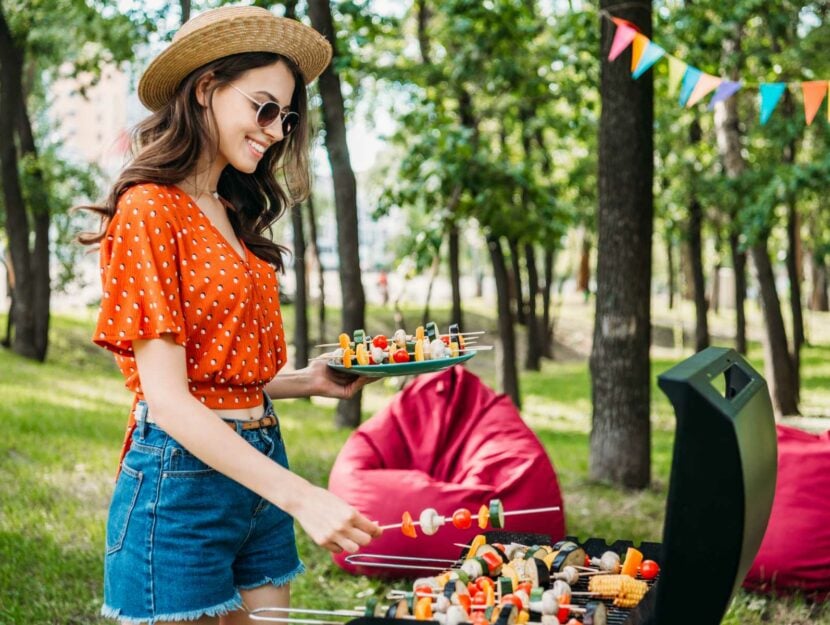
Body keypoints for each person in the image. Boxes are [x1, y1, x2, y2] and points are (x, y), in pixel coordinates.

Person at [78, 6, 381, 624]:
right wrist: (305, 499)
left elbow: (213, 372)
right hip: (182, 484)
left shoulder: (229, 210)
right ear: (206, 88)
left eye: (286, 117)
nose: (275, 129)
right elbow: (167, 400)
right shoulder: (149, 210)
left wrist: (308, 380)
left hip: (261, 460)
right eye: (263, 107)